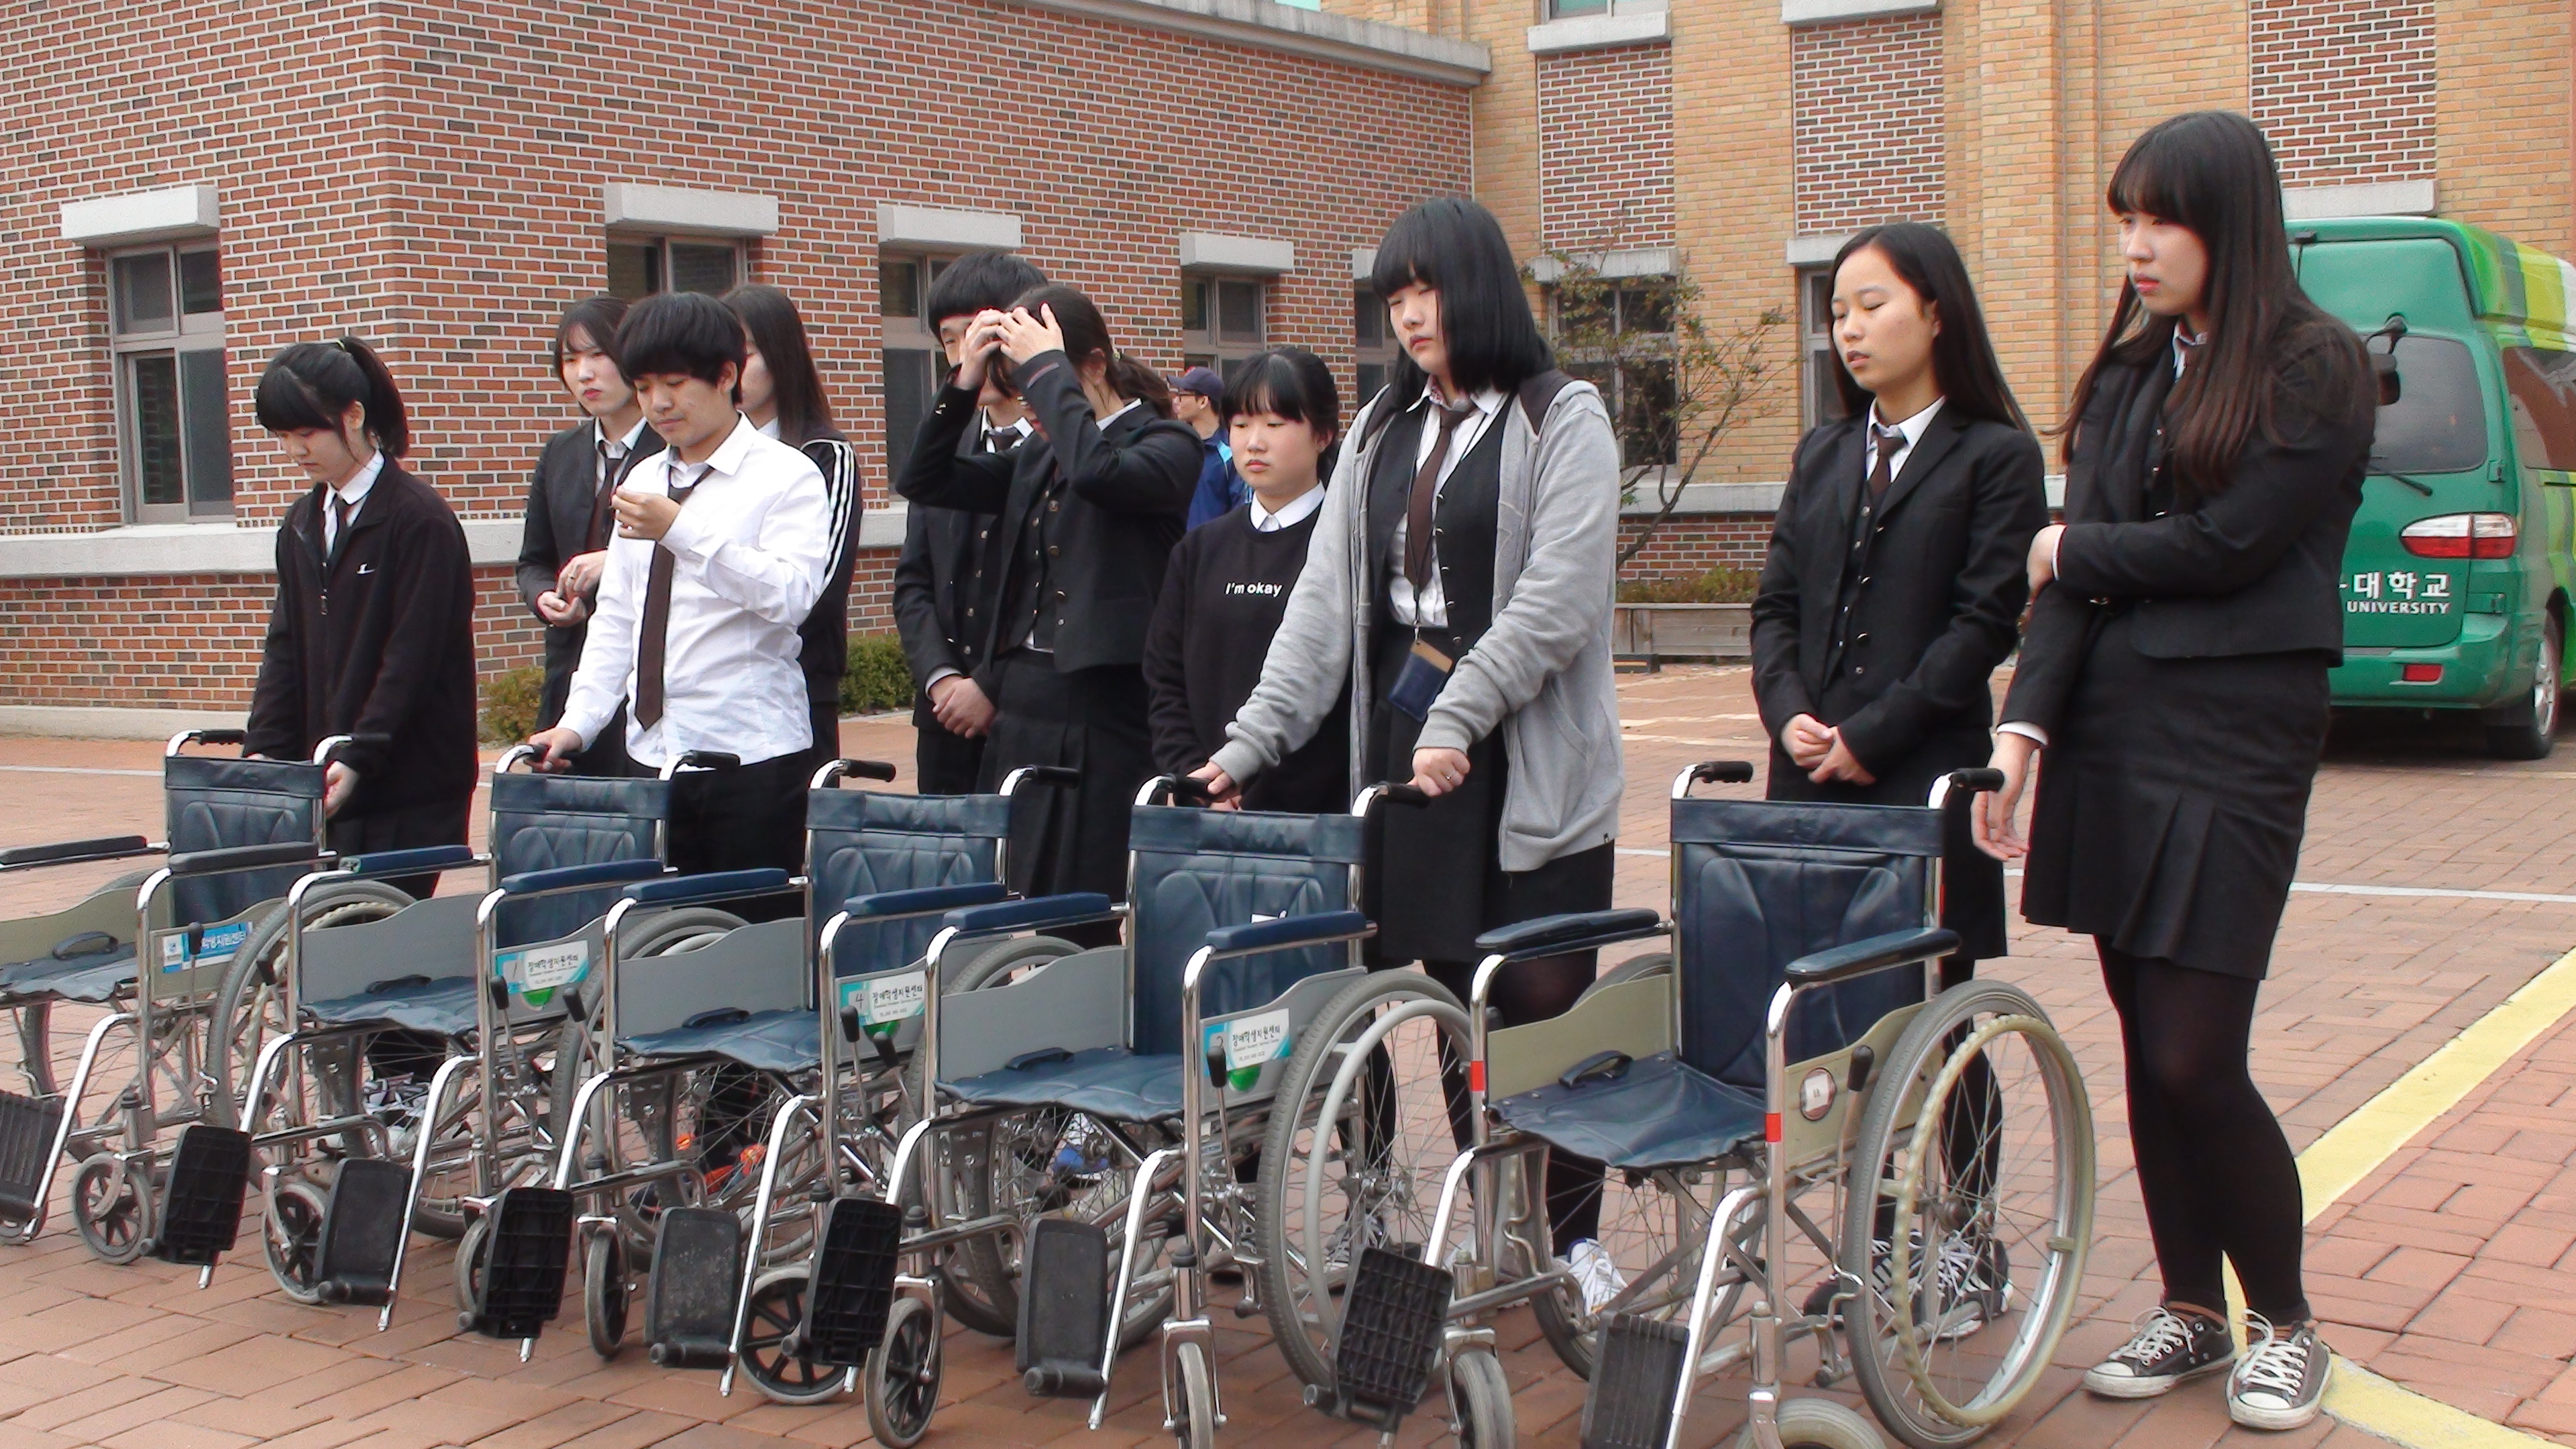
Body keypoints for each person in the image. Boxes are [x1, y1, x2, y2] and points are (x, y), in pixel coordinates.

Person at [1974, 111, 2374, 1430]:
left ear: (2230, 222)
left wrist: (2069, 549)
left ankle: (2289, 1323)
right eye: (2126, 221)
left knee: (2201, 1053)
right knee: (2148, 1046)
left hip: (2238, 738)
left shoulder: (2314, 365)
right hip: (2114, 735)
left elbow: (2233, 544)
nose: (2137, 247)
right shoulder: (2136, 371)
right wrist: (2023, 735)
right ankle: (2193, 1309)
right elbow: (2072, 592)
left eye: (2163, 219)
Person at [1190, 197, 1628, 1310]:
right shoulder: (1385, 427)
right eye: (1394, 297)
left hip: (1528, 753)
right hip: (1410, 745)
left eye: (1427, 290)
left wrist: (1461, 711)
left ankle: (1572, 1238)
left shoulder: (1561, 416)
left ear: (1478, 285)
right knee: (1453, 1003)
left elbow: (1559, 600)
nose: (1411, 315)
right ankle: (1491, 1223)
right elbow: (1325, 609)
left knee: (1545, 1005)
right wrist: (1250, 741)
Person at [1751, 220, 2047, 1335]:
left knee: (1940, 1020)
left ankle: (1965, 1245)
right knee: (1841, 1024)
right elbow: (1775, 605)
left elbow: (1981, 625)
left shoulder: (1995, 456)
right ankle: (1877, 1249)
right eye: (1837, 311)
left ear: (1936, 310)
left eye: (1872, 304)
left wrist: (1871, 736)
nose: (1850, 328)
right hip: (1810, 782)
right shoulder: (1824, 452)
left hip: (1921, 781)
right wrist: (1788, 713)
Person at [894, 284, 1200, 914]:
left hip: (1106, 708)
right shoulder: (1037, 452)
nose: (1029, 405)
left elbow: (1097, 472)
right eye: (1019, 389)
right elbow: (924, 478)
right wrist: (964, 381)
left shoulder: (1167, 444)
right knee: (1009, 895)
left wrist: (1047, 370)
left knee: (1085, 904)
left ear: (1094, 366)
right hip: (1023, 703)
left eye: (1037, 386)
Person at [527, 292, 835, 880]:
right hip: (651, 754)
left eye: (674, 383)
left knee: (745, 924)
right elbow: (619, 617)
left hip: (750, 757)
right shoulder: (644, 477)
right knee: (655, 925)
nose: (659, 404)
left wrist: (681, 530)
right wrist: (578, 723)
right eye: (644, 387)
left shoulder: (786, 474)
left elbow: (792, 595)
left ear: (726, 376)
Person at [247, 336, 478, 1120]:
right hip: (331, 775)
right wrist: (264, 756)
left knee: (389, 941)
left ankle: (411, 1094)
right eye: (283, 435)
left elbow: (413, 657)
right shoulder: (302, 523)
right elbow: (285, 650)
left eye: (306, 431)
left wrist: (364, 750)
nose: (295, 450)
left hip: (409, 779)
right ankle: (386, 1091)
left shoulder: (418, 520)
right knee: (342, 942)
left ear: (353, 416)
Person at [1144, 347, 1349, 814]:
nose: (1254, 443)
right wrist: (1198, 779)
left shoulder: (1345, 548)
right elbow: (1164, 680)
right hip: (1203, 806)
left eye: (1274, 425)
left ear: (1323, 435)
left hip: (1310, 815)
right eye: (1240, 425)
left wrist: (1253, 787)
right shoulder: (1199, 549)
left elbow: (1337, 694)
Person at [892, 251, 1047, 792]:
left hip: (1030, 718)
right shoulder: (942, 450)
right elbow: (914, 580)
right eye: (949, 340)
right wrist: (941, 679)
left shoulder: (1067, 448)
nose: (964, 356)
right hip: (945, 720)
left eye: (979, 336)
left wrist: (989, 685)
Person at [517, 297, 665, 775]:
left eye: (599, 354)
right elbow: (533, 560)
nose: (584, 374)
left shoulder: (673, 451)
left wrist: (612, 560)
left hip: (648, 683)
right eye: (570, 360)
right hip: (570, 674)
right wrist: (545, 596)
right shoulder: (561, 452)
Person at [725, 283, 862, 768]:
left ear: (781, 355)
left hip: (798, 680)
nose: (730, 371)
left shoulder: (824, 455)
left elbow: (818, 588)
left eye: (745, 354)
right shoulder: (699, 460)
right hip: (717, 691)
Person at [1177, 366, 1246, 529]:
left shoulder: (1231, 452)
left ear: (1203, 401)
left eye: (1182, 395)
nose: (1176, 401)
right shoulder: (1178, 447)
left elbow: (1241, 509)